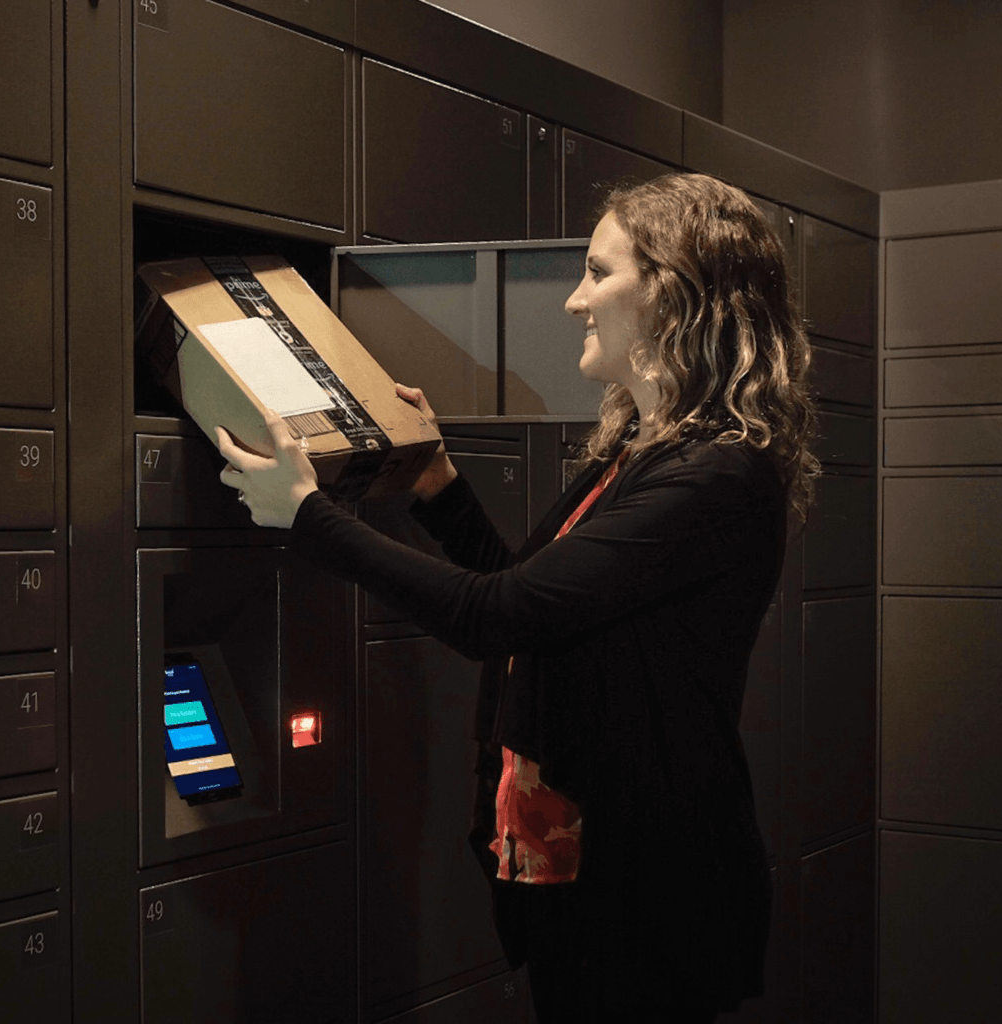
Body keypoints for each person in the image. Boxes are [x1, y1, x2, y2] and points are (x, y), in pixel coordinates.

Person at [216, 172, 818, 1023]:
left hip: (648, 887)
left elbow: (496, 616)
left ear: (677, 296)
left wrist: (306, 514)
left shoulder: (716, 476)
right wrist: (439, 483)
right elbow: (530, 608)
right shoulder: (643, 459)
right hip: (587, 867)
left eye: (599, 274)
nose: (575, 301)